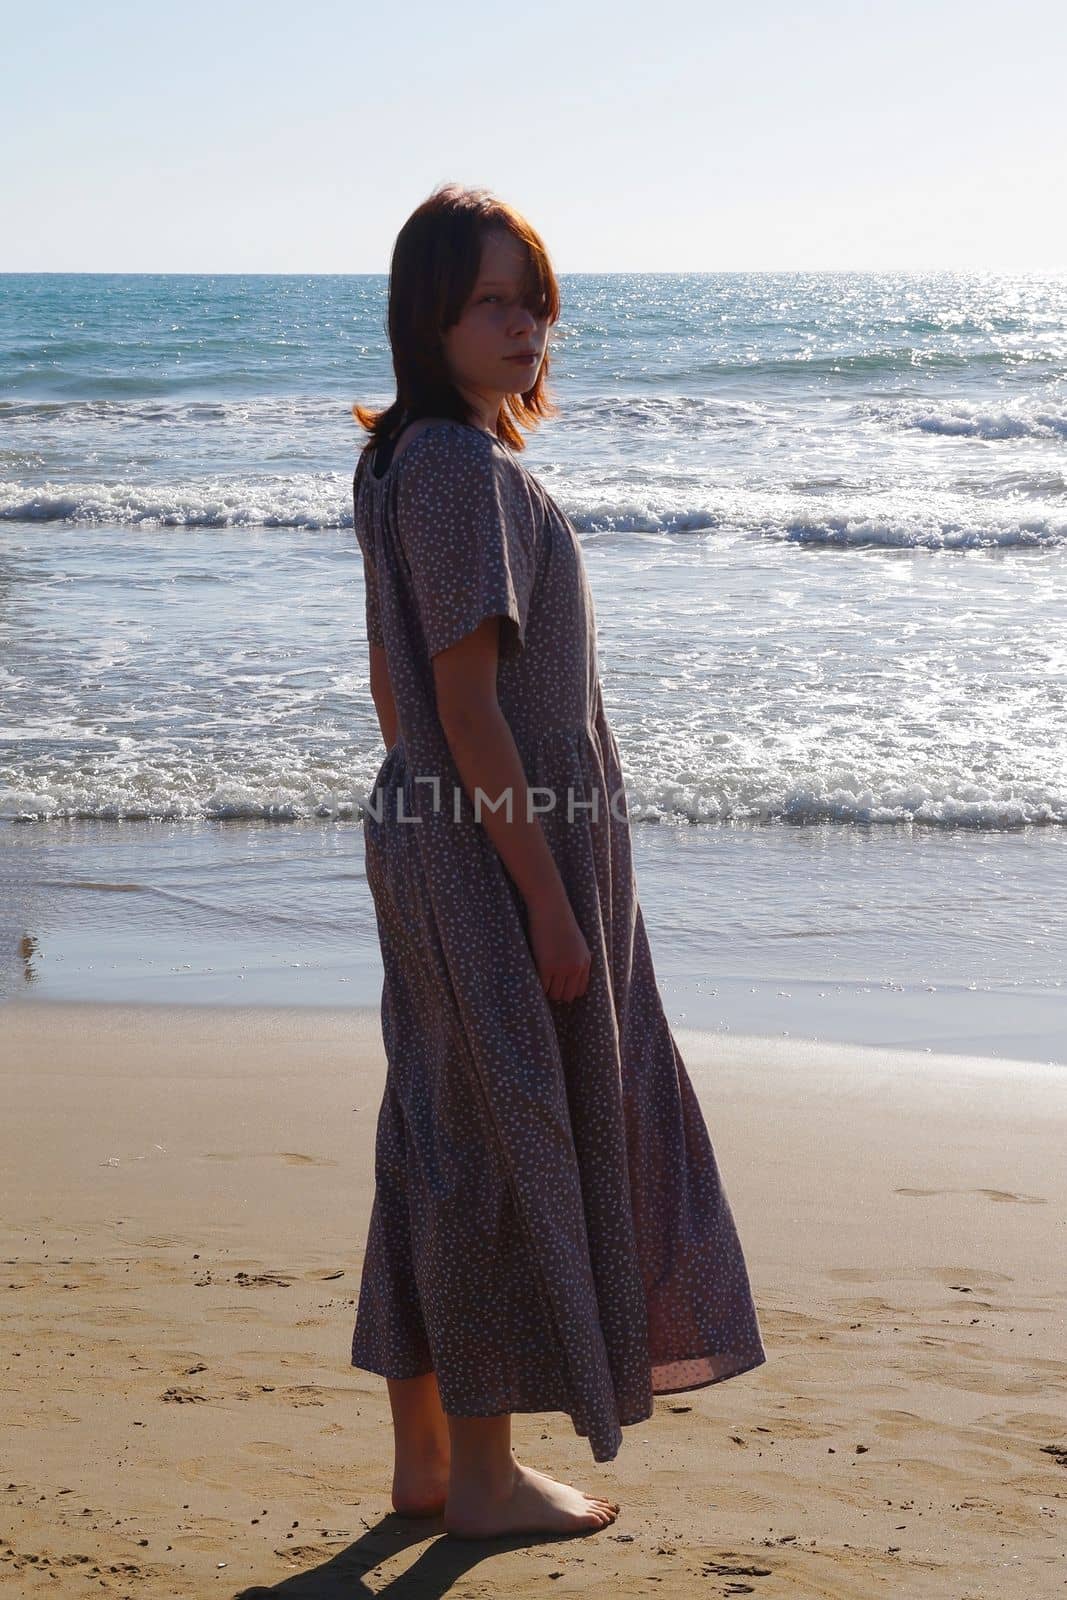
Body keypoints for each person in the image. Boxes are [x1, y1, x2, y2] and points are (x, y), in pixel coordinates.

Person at [349, 183, 766, 1541]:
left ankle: (426, 1460)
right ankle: (478, 1476)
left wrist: (429, 835)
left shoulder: (403, 458)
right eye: (493, 301)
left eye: (535, 298)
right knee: (496, 1143)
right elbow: (467, 708)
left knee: (437, 1132)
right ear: (434, 318)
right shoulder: (464, 475)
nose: (527, 325)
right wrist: (542, 899)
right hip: (493, 854)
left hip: (431, 838)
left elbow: (394, 688)